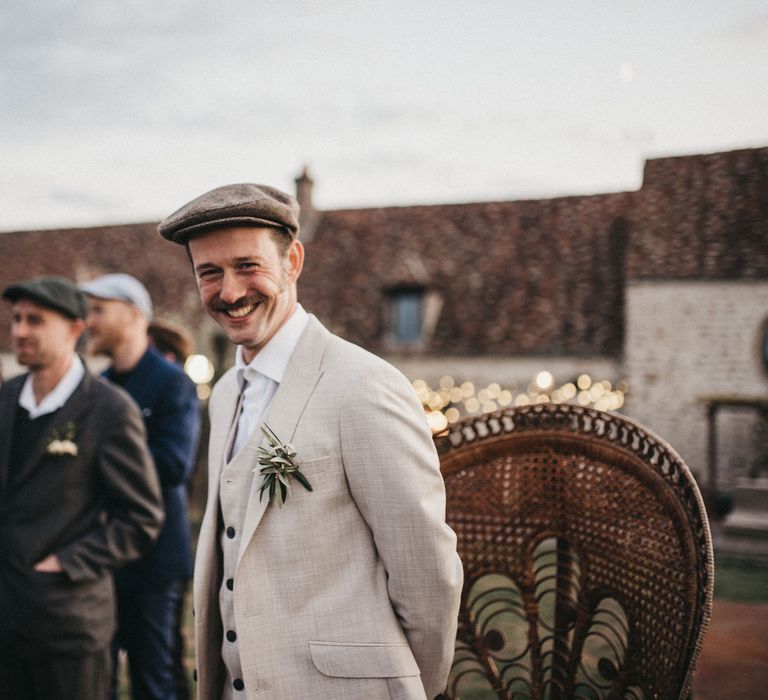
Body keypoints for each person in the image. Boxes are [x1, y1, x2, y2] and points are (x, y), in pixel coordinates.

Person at [158, 184, 463, 700]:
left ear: (292, 260)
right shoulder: (226, 392)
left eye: (248, 266)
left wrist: (406, 688)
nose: (229, 293)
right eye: (210, 273)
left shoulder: (363, 385)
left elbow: (427, 575)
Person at [0, 275, 164, 700]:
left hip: (67, 626)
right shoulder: (6, 396)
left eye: (34, 320)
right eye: (15, 319)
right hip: (6, 620)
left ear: (75, 329)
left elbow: (141, 518)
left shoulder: (109, 409)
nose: (18, 331)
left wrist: (66, 563)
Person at [80, 273, 201, 700]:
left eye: (97, 310)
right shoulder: (97, 388)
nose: (87, 321)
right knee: (99, 679)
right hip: (101, 558)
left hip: (155, 562)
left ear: (133, 316)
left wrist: (95, 461)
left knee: (155, 679)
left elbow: (172, 465)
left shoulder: (173, 384)